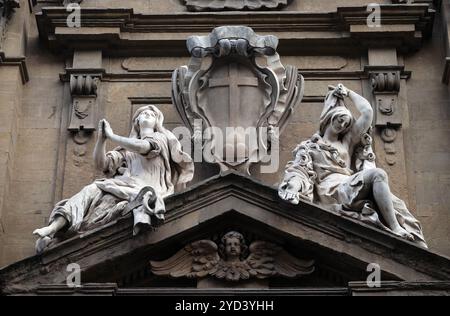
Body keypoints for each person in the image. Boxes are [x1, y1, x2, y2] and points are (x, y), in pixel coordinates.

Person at [279, 84, 427, 248]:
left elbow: (368, 113)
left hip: (349, 183)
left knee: (394, 200)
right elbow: (299, 171)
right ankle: (395, 227)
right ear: (330, 118)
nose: (342, 125)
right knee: (378, 175)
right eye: (340, 119)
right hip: (332, 189)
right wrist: (292, 187)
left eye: (346, 123)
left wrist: (348, 93)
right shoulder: (309, 147)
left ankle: (397, 227)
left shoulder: (346, 143)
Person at [33, 105, 194, 252]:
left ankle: (63, 240)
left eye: (151, 114)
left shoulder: (160, 139)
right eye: (142, 114)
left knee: (104, 210)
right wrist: (102, 140)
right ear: (136, 121)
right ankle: (53, 228)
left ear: (157, 121)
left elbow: (143, 147)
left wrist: (112, 136)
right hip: (124, 185)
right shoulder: (126, 150)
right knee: (90, 189)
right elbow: (101, 164)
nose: (146, 114)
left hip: (147, 189)